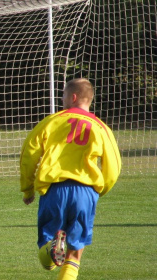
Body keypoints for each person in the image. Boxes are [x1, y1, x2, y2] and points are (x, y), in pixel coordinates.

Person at [19, 78, 121, 280]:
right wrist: (101, 190)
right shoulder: (101, 128)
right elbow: (114, 165)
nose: (62, 98)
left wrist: (27, 188)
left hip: (54, 191)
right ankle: (56, 251)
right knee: (74, 255)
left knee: (48, 260)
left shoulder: (52, 121)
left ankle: (50, 248)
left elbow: (29, 154)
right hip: (85, 192)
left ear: (73, 97)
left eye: (64, 94)